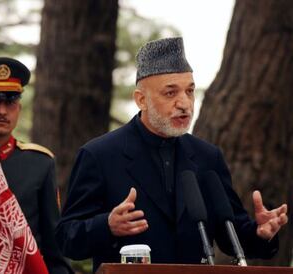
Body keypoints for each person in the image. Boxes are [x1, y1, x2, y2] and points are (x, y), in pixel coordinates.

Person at [55, 37, 288, 272]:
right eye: (170, 93)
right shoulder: (100, 155)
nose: (184, 104)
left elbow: (230, 236)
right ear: (141, 100)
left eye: (189, 91)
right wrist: (106, 226)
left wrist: (260, 234)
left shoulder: (207, 157)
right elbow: (66, 238)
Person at [0, 57, 73, 274]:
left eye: (10, 102)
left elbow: (52, 246)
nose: (2, 111)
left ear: (19, 107)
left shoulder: (39, 163)